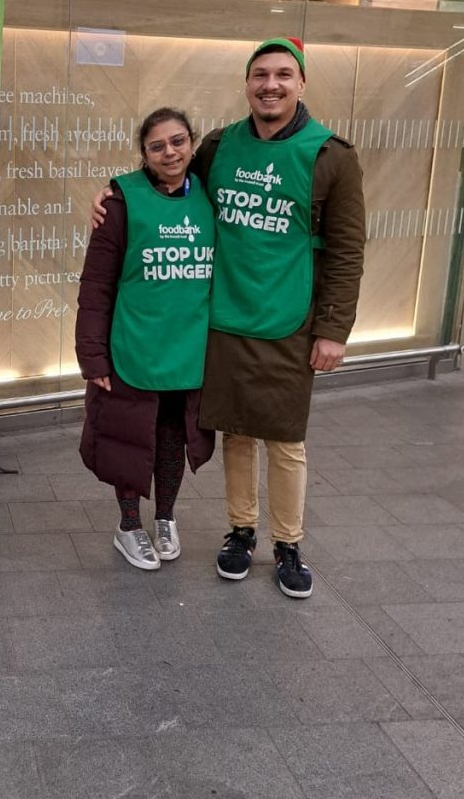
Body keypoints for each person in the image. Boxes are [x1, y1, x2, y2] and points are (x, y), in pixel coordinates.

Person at [92, 38, 365, 596]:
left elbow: (347, 250)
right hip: (222, 319)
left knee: (285, 440)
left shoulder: (332, 156)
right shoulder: (219, 146)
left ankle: (288, 542)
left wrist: (334, 329)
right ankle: (240, 532)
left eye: (283, 75)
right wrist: (108, 194)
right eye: (260, 74)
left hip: (290, 319)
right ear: (247, 83)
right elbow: (163, 174)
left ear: (302, 83)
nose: (271, 84)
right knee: (237, 433)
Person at [76, 107, 216, 571]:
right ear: (144, 154)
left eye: (178, 141)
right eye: (157, 146)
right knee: (130, 441)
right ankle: (129, 527)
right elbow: (96, 285)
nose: (169, 152)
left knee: (173, 438)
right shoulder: (120, 202)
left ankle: (166, 517)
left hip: (187, 348)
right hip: (132, 347)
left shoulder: (210, 196)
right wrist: (92, 357)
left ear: (192, 143)